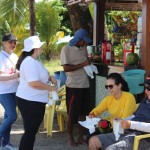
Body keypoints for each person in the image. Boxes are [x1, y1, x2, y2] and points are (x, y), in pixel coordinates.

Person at [15, 36, 57, 150]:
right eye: (40, 46)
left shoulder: (34, 61)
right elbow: (33, 83)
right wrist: (51, 88)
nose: (42, 48)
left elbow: (39, 77)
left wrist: (50, 77)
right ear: (36, 48)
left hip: (34, 100)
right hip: (30, 101)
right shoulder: (30, 62)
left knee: (31, 132)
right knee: (30, 132)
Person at [88, 78, 150, 150]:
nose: (145, 91)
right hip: (128, 131)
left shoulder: (128, 97)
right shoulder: (145, 100)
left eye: (148, 89)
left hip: (143, 137)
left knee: (111, 149)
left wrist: (131, 124)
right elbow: (134, 116)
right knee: (93, 141)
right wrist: (121, 120)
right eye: (145, 88)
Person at [60, 28, 92, 146]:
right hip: (73, 85)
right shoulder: (66, 49)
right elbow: (66, 68)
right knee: (72, 114)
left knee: (83, 113)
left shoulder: (83, 48)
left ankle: (80, 137)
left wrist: (90, 61)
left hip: (85, 84)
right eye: (83, 41)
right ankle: (70, 138)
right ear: (78, 40)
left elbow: (85, 60)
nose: (85, 43)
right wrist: (82, 64)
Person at [86, 73, 136, 143]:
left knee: (96, 139)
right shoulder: (109, 99)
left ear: (119, 85)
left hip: (123, 130)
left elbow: (124, 120)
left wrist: (103, 121)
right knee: (89, 136)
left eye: (111, 86)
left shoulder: (129, 97)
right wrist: (92, 114)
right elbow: (97, 110)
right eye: (107, 87)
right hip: (111, 127)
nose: (108, 89)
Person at [0, 33, 19, 150]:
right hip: (4, 92)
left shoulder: (15, 56)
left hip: (15, 91)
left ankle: (5, 143)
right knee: (12, 116)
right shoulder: (1, 57)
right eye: (10, 42)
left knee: (8, 116)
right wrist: (15, 76)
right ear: (4, 43)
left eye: (14, 42)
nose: (13, 44)